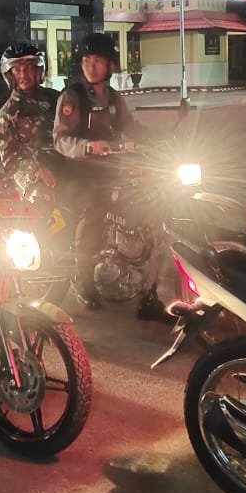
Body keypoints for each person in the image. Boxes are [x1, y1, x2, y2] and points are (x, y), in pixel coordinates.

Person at [51, 31, 159, 318]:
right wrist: (88, 147)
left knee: (147, 204)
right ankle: (84, 280)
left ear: (110, 64)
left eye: (98, 60)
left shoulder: (113, 97)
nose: (91, 66)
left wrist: (160, 140)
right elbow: (61, 139)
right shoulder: (72, 96)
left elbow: (131, 128)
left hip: (110, 173)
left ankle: (143, 279)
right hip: (78, 177)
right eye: (86, 60)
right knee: (96, 210)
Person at [0, 42, 59, 198]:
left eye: (29, 68)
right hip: (36, 178)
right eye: (17, 70)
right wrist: (35, 170)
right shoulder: (7, 114)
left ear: (38, 70)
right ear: (10, 75)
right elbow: (11, 162)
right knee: (42, 201)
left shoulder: (57, 99)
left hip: (68, 167)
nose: (23, 75)